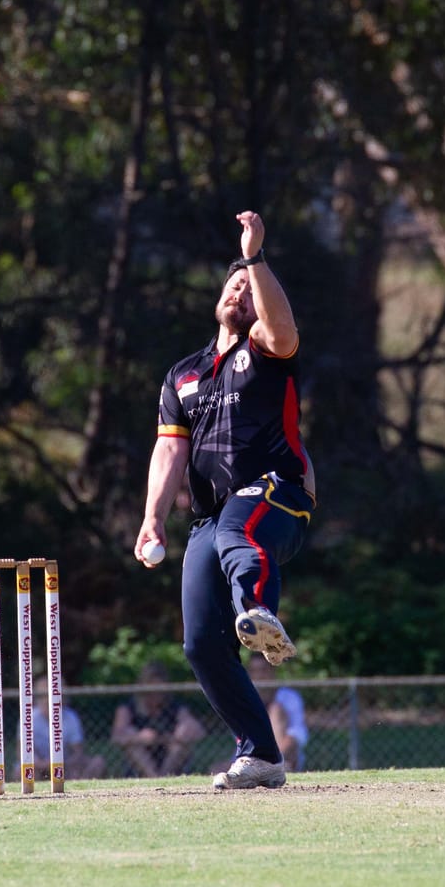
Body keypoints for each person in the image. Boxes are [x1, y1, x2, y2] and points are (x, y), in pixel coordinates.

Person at [135, 210, 316, 790]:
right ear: (217, 297)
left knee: (240, 527)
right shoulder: (183, 375)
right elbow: (169, 454)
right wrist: (152, 521)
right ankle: (261, 754)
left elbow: (283, 329)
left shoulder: (265, 348)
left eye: (250, 285)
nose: (240, 289)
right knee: (199, 643)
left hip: (276, 494)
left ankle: (259, 610)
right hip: (209, 519)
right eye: (233, 281)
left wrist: (256, 256)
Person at [110, 661, 208, 778]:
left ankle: (163, 776)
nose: (155, 696)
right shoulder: (128, 707)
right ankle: (154, 777)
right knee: (131, 739)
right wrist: (139, 737)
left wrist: (172, 737)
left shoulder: (174, 707)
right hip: (140, 761)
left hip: (169, 757)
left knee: (182, 737)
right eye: (151, 692)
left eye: (160, 692)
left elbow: (199, 731)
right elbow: (116, 736)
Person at [248, 653, 308, 772]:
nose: (259, 676)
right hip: (249, 759)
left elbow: (297, 735)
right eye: (254, 671)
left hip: (284, 757)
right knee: (217, 769)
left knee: (276, 710)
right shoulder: (246, 700)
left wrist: (271, 761)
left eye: (263, 670)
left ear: (272, 671)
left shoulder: (289, 697)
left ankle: (272, 766)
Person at [31, 703, 108, 780]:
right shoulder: (30, 717)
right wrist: (43, 764)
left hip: (66, 765)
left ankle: (79, 788)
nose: (47, 702)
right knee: (24, 771)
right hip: (39, 766)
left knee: (98, 762)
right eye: (44, 698)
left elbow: (78, 751)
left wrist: (64, 764)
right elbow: (23, 751)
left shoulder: (70, 716)